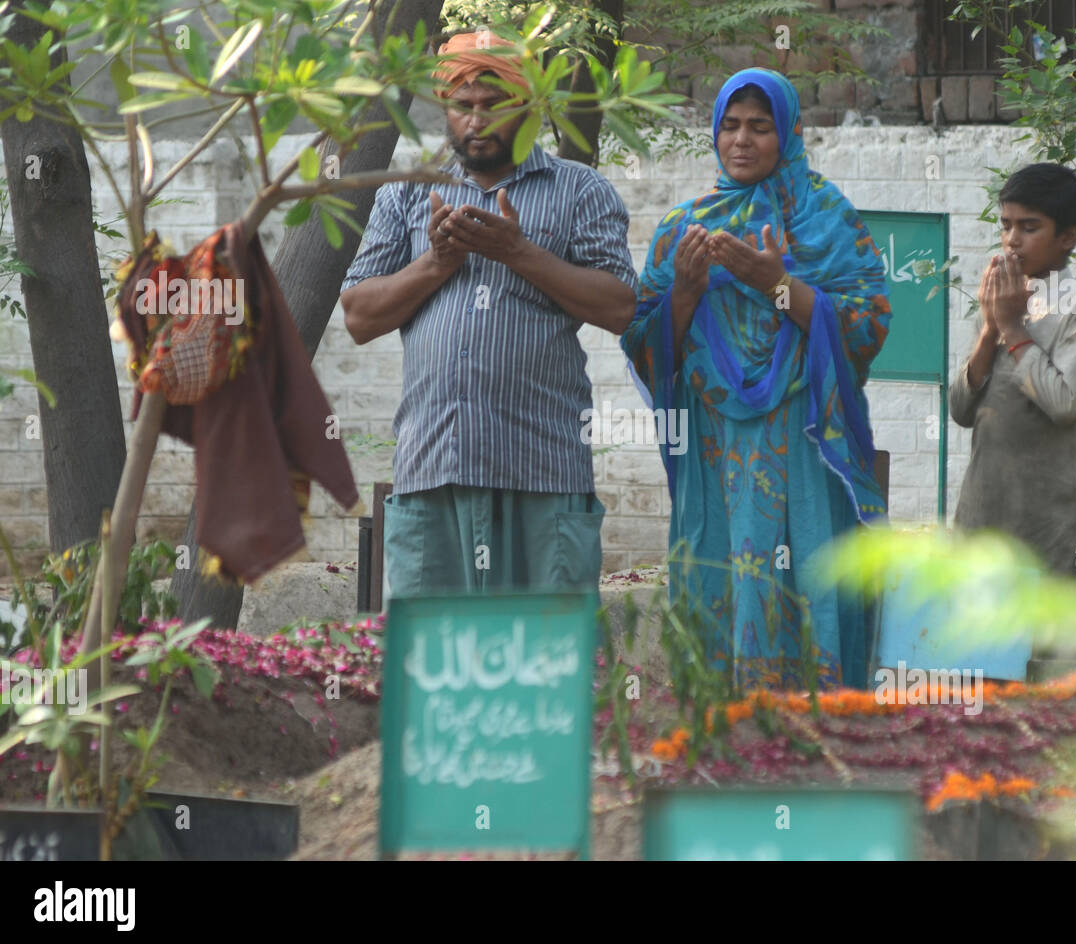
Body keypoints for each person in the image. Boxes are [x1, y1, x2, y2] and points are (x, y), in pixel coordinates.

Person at [339, 31, 638, 597]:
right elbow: (358, 316)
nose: (476, 121)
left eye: (494, 105)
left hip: (544, 473)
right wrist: (437, 261)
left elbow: (622, 306)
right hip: (434, 470)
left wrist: (517, 252)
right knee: (436, 666)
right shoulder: (407, 192)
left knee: (548, 664)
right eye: (462, 106)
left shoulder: (579, 190)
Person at [621, 68, 892, 691]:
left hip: (805, 440)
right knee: (720, 575)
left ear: (789, 133)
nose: (741, 140)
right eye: (731, 126)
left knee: (807, 575)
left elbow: (865, 329)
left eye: (760, 127)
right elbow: (645, 346)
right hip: (714, 448)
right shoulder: (681, 228)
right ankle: (725, 735)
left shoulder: (827, 218)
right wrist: (685, 292)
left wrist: (775, 284)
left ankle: (811, 735)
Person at [949, 163, 1076, 588]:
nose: (1012, 240)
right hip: (984, 518)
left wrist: (1011, 328)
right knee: (980, 650)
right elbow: (960, 410)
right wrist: (989, 330)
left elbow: (1063, 405)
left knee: (1055, 652)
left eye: (1029, 227)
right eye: (1006, 225)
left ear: (1068, 237)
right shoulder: (1002, 297)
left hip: (1054, 527)